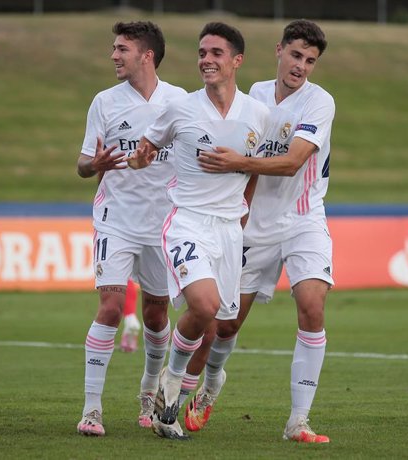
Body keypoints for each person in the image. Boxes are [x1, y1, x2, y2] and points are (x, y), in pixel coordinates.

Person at [186, 19, 335, 444]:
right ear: (279, 51)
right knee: (227, 325)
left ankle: (298, 422)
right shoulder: (253, 96)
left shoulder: (320, 103)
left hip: (305, 218)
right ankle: (212, 384)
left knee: (312, 305)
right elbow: (249, 157)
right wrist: (240, 211)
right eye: (296, 55)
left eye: (310, 60)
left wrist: (237, 163)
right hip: (256, 224)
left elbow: (291, 163)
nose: (301, 66)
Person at [128, 22, 271, 440]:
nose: (206, 60)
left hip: (229, 229)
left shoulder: (258, 116)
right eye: (202, 53)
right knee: (205, 306)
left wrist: (243, 212)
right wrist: (138, 160)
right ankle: (169, 384)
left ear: (237, 61)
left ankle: (172, 405)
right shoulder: (181, 108)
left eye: (216, 53)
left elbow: (256, 169)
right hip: (187, 220)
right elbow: (146, 152)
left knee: (214, 328)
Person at [75, 20, 187, 437]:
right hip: (115, 218)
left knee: (157, 314)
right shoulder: (104, 102)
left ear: (147, 55)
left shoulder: (180, 102)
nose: (114, 56)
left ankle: (148, 392)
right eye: (114, 48)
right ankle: (91, 410)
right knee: (109, 306)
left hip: (163, 224)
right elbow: (83, 164)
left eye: (122, 49)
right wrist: (96, 165)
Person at [120, 279, 141, 352]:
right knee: (134, 325)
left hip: (130, 285)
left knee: (133, 324)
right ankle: (127, 342)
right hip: (125, 285)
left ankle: (126, 343)